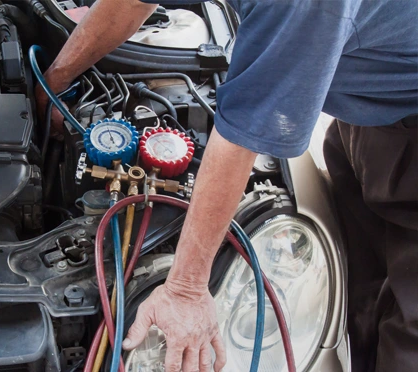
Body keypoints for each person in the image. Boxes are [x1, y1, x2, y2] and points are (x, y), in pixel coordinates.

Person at [36, 0, 418, 370]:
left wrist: (185, 290)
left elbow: (242, 139)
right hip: (372, 110)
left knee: (410, 331)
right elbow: (132, 1)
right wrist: (54, 81)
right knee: (360, 289)